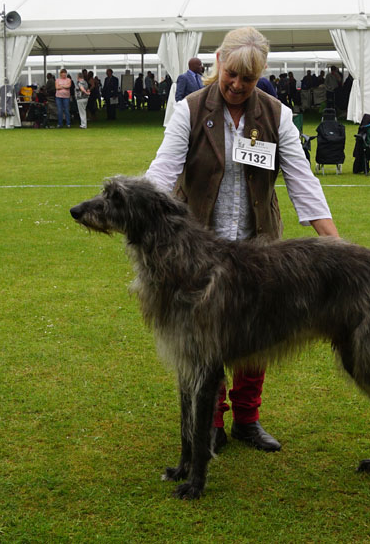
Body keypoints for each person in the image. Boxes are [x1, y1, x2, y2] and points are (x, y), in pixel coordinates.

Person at [145, 27, 339, 453]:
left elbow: (301, 181)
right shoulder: (189, 111)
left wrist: (337, 245)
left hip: (259, 246)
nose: (236, 85)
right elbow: (162, 172)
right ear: (219, 61)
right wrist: (140, 212)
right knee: (202, 339)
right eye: (231, 74)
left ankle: (247, 419)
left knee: (256, 334)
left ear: (260, 76)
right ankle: (210, 423)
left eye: (247, 80)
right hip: (198, 248)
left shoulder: (277, 115)